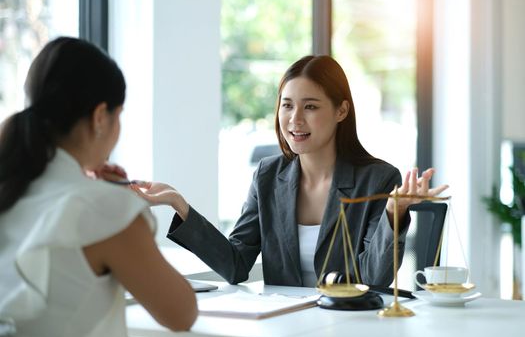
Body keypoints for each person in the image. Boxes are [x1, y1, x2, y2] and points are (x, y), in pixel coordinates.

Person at [132, 55, 448, 288]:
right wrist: (180, 205)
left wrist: (393, 213)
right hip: (285, 327)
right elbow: (236, 265)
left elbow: (373, 279)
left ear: (341, 110)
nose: (295, 120)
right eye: (287, 105)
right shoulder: (268, 175)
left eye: (310, 107)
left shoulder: (378, 179)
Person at [0, 37, 197, 337]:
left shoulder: (11, 191)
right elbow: (181, 313)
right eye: (119, 116)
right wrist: (117, 204)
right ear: (100, 117)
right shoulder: (104, 210)